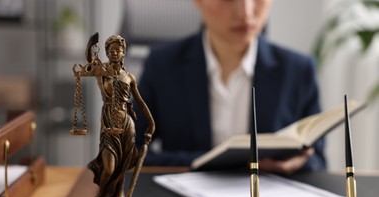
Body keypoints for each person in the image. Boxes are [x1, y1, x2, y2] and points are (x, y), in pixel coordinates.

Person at [135, 0, 326, 174]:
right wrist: (222, 162)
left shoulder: (298, 70)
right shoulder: (162, 65)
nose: (246, 12)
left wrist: (297, 164)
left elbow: (317, 159)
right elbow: (130, 153)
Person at [73, 34, 155, 197]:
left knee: (120, 172)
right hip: (109, 125)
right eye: (110, 51)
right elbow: (90, 62)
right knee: (109, 169)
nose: (114, 53)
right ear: (107, 53)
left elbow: (140, 103)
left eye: (118, 50)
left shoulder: (129, 77)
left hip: (127, 125)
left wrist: (151, 124)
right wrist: (91, 46)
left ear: (124, 52)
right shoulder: (102, 72)